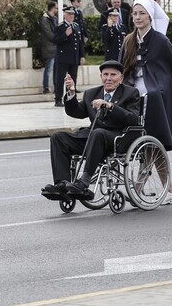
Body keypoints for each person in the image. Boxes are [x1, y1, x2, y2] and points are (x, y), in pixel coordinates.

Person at [119, 0, 172, 205]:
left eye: (141, 14)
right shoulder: (129, 40)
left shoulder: (161, 41)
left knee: (152, 143)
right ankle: (162, 190)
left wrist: (158, 90)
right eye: (134, 14)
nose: (137, 17)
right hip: (133, 94)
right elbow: (122, 68)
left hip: (153, 96)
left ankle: (143, 188)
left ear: (150, 16)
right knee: (148, 145)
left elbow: (170, 74)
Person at [42, 60, 140, 201]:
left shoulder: (130, 93)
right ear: (101, 77)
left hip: (117, 138)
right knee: (58, 137)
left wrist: (111, 106)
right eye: (105, 74)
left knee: (97, 133)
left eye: (113, 75)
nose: (109, 78)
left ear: (121, 78)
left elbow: (133, 118)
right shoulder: (91, 93)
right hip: (93, 138)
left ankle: (84, 182)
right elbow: (77, 112)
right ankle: (61, 184)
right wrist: (71, 94)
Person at [53, 6, 85, 107]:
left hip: (74, 57)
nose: (72, 16)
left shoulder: (76, 26)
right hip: (63, 57)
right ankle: (58, 99)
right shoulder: (60, 26)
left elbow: (79, 43)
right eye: (69, 14)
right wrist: (65, 35)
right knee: (60, 79)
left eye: (73, 14)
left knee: (73, 79)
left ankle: (72, 97)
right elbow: (55, 41)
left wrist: (82, 55)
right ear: (65, 15)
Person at [39, 1, 58, 94]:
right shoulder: (44, 19)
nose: (57, 10)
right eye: (56, 8)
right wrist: (57, 39)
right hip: (49, 48)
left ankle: (56, 86)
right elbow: (48, 33)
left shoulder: (55, 18)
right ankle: (45, 87)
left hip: (56, 48)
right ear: (52, 8)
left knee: (56, 69)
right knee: (49, 68)